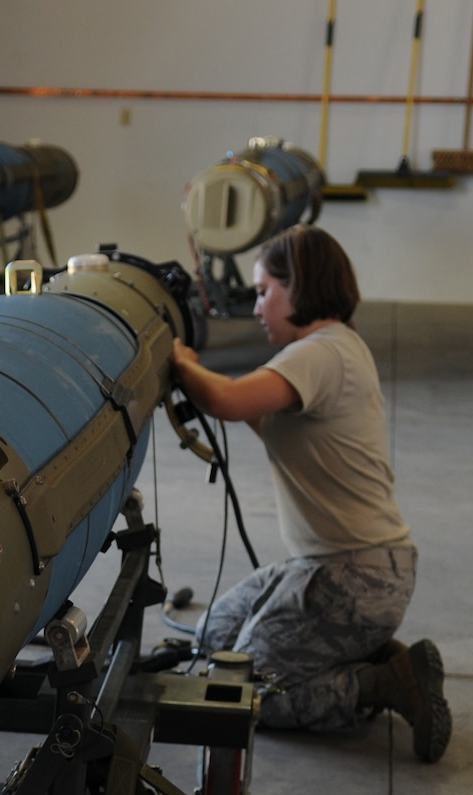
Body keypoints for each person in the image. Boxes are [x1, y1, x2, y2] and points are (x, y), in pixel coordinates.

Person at [170, 224, 450, 763]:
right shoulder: (334, 348)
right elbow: (257, 414)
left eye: (263, 291)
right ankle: (368, 652)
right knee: (213, 640)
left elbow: (229, 402)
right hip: (337, 568)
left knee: (243, 690)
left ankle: (384, 683)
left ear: (298, 286)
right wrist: (197, 377)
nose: (256, 307)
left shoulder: (319, 354)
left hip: (355, 575)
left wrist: (180, 363)